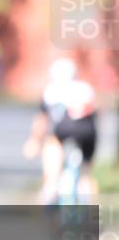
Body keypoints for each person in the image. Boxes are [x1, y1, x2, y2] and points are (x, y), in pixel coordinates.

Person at [23, 57, 98, 204]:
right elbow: (94, 114)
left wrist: (34, 140)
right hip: (88, 132)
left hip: (63, 128)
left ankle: (51, 187)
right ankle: (90, 203)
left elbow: (42, 120)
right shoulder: (86, 88)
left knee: (51, 145)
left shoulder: (50, 90)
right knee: (86, 174)